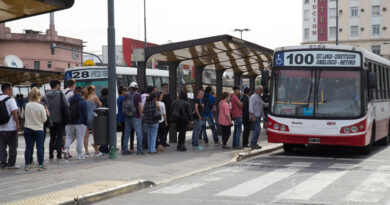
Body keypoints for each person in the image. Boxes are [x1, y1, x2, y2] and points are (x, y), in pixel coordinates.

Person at [23, 87, 47, 171]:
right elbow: (44, 119)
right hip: (39, 129)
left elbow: (23, 116)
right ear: (39, 95)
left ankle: (27, 165)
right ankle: (40, 165)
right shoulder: (41, 106)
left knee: (28, 147)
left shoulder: (26, 105)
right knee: (39, 148)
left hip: (28, 128)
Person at [45, 80, 69, 160]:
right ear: (57, 85)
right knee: (59, 138)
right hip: (60, 119)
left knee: (52, 137)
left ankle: (51, 155)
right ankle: (59, 155)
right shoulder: (60, 94)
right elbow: (67, 104)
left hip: (50, 120)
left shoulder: (46, 95)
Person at [63, 86, 88, 160]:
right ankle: (79, 155)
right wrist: (85, 123)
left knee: (69, 137)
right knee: (79, 138)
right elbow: (85, 114)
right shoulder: (83, 101)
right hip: (80, 123)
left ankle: (66, 149)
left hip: (69, 122)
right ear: (81, 92)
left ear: (74, 92)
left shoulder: (68, 100)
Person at [0, 83, 20, 169]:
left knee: (1, 147)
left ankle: (2, 163)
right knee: (13, 146)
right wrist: (17, 124)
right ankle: (11, 163)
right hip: (11, 128)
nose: (12, 91)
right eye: (11, 89)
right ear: (6, 90)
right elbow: (14, 112)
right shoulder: (11, 100)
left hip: (0, 128)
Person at [123, 82, 144, 155]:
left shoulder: (126, 95)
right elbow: (139, 106)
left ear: (130, 88)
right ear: (137, 88)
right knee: (139, 134)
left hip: (127, 117)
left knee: (126, 133)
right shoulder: (138, 95)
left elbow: (124, 105)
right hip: (136, 116)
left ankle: (125, 150)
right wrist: (141, 115)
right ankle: (139, 150)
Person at [83, 85, 102, 157]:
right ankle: (96, 151)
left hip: (85, 117)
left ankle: (87, 152)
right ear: (91, 90)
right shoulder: (94, 97)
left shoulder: (83, 98)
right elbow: (100, 104)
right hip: (93, 117)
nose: (94, 91)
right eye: (94, 90)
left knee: (86, 136)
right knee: (95, 135)